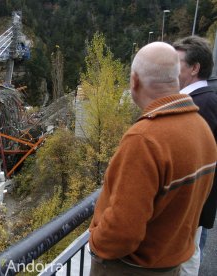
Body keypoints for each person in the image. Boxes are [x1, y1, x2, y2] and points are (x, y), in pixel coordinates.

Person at [88, 42, 216, 276]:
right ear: (175, 80)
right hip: (170, 262)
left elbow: (122, 231)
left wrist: (96, 243)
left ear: (134, 80)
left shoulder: (145, 139)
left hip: (131, 269)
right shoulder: (201, 128)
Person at [172, 35, 217, 275]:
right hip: (198, 203)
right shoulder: (207, 99)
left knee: (187, 259)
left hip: (191, 206)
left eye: (177, 63)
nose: (171, 70)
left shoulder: (198, 104)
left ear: (194, 68)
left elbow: (194, 160)